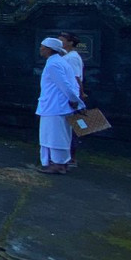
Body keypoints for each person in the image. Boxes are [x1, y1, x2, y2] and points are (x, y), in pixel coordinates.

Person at [36, 37, 83, 175]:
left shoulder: (54, 64)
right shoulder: (60, 62)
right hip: (56, 105)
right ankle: (58, 162)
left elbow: (65, 85)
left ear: (49, 49)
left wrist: (74, 99)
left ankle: (58, 164)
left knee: (54, 135)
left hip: (55, 106)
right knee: (54, 134)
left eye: (42, 46)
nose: (41, 49)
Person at [59, 31, 85, 167]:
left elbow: (76, 78)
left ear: (70, 42)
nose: (60, 42)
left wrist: (79, 95)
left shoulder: (72, 58)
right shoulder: (67, 56)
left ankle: (71, 158)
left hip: (72, 97)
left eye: (62, 40)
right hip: (69, 96)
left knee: (72, 127)